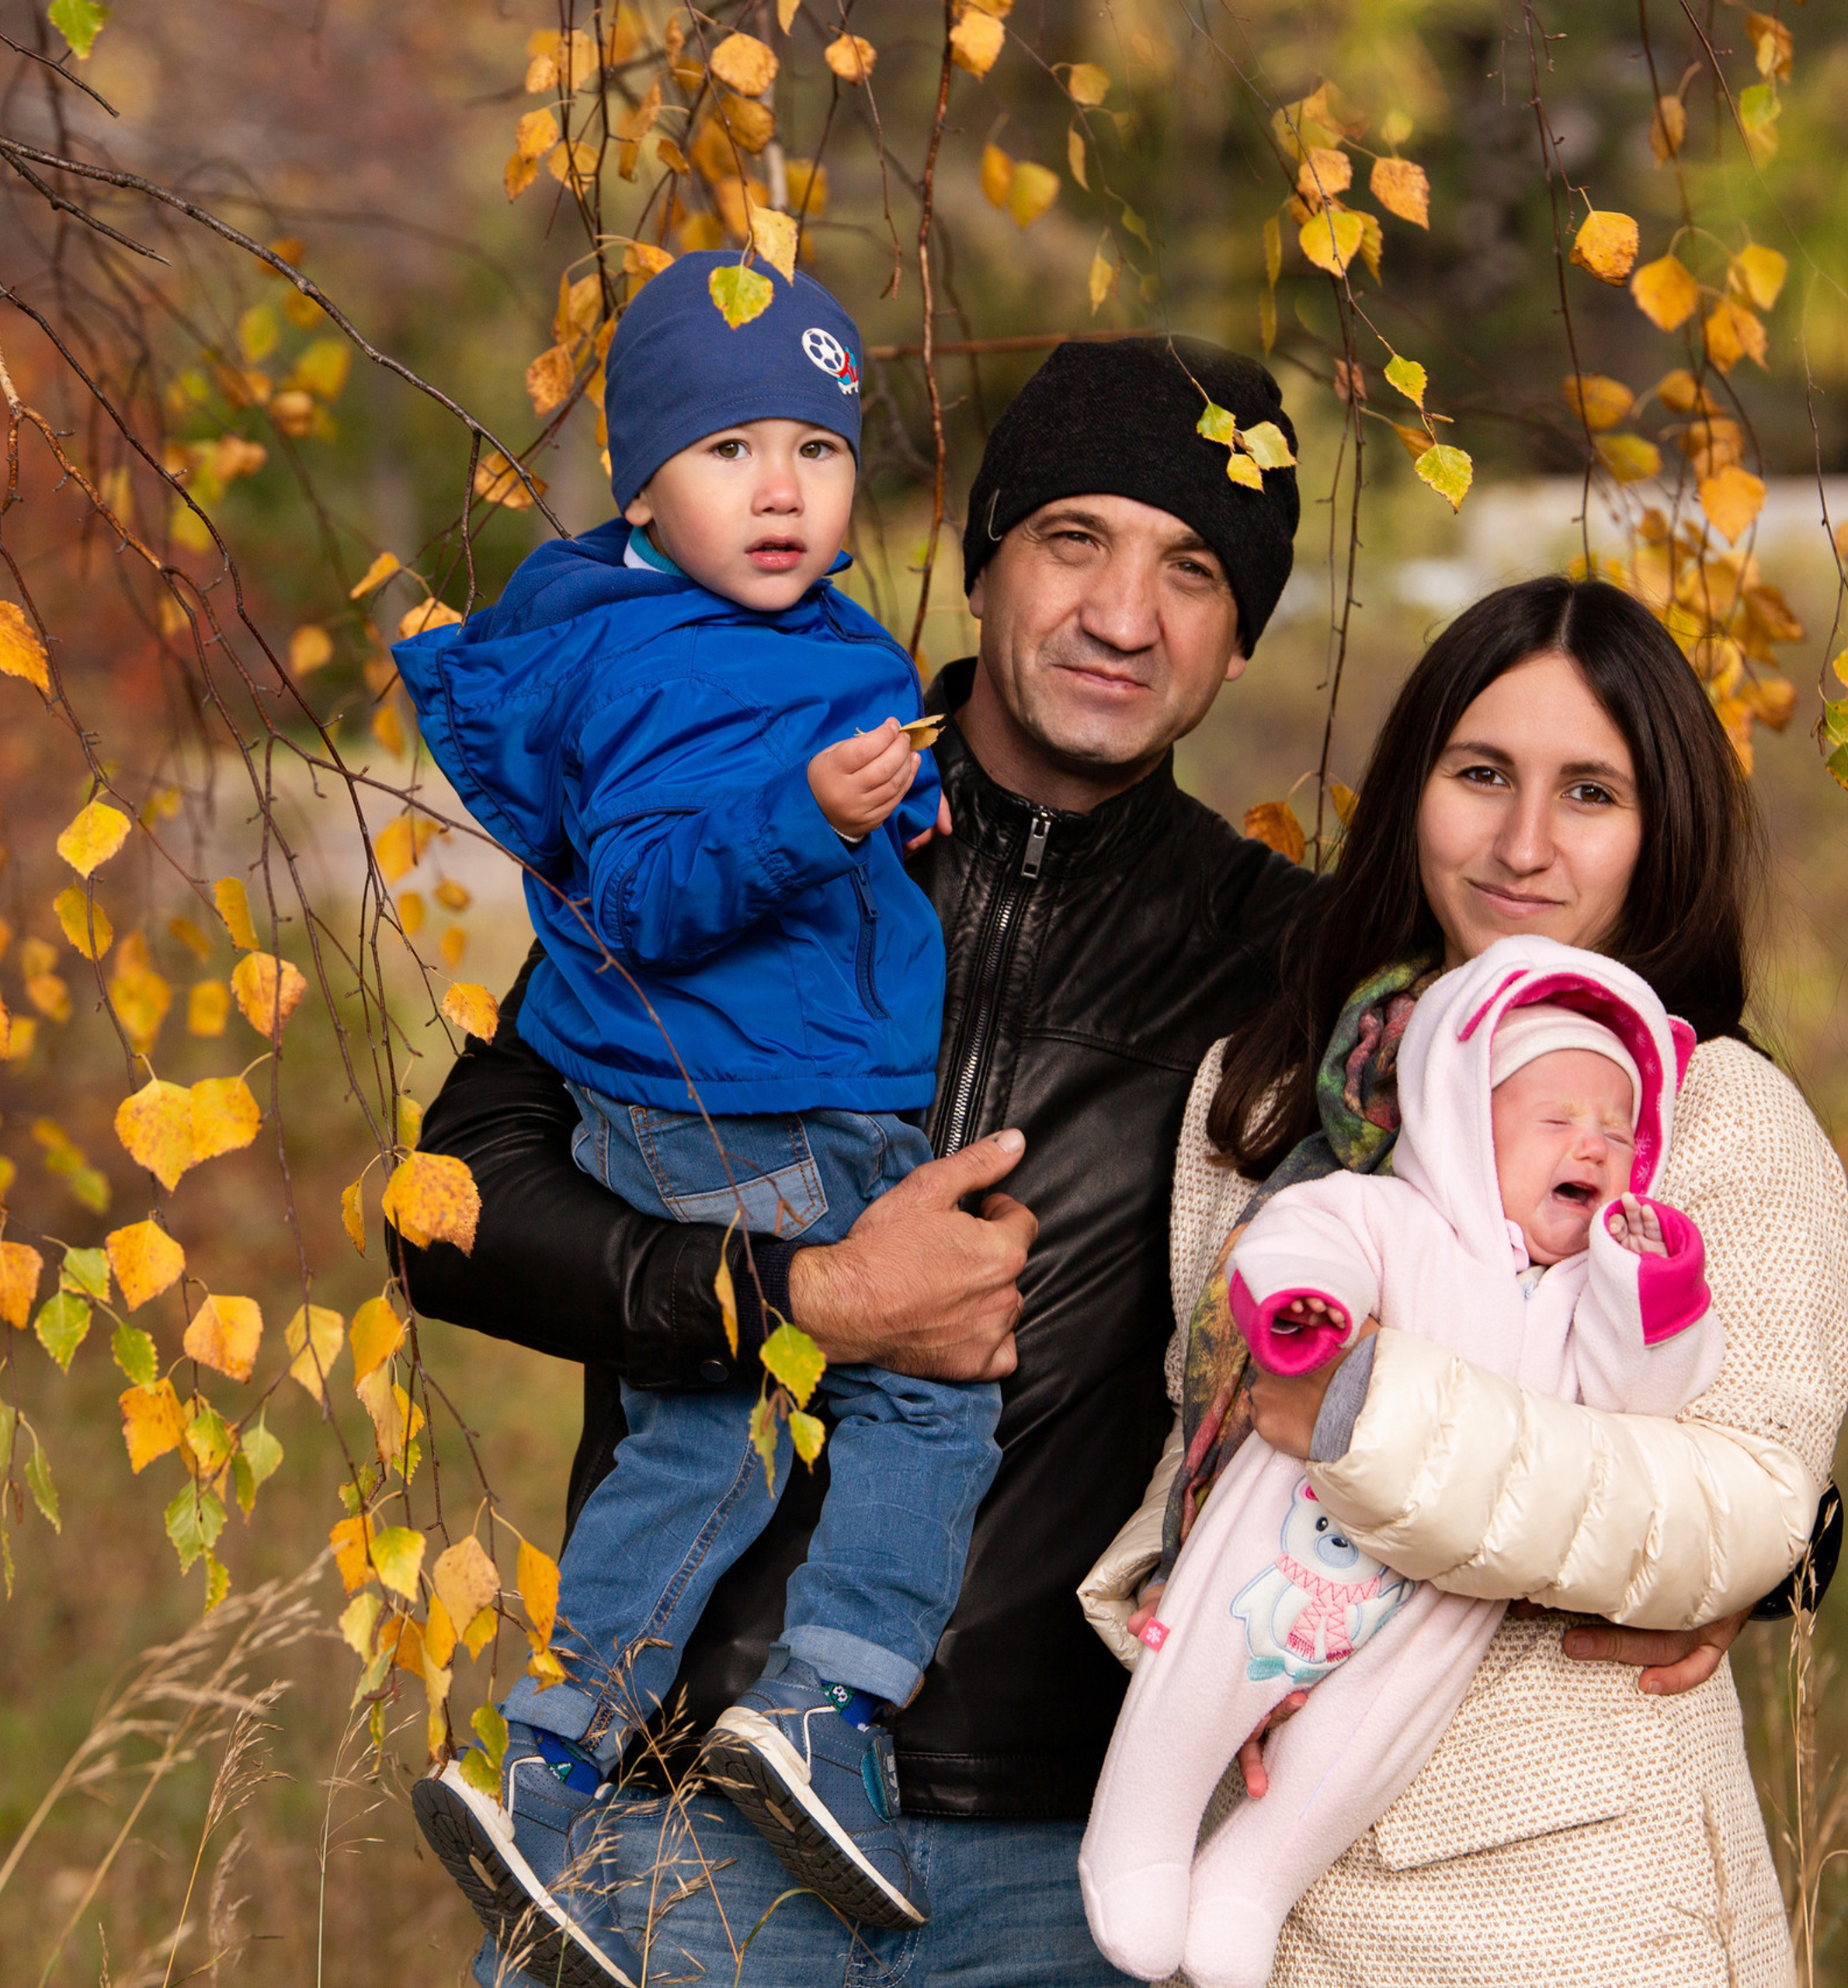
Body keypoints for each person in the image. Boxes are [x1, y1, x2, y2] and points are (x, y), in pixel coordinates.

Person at [395, 331, 1325, 1986]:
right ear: (980, 568)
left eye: (1190, 569)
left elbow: (1585, 1192)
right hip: (680, 1819)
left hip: (1062, 1856)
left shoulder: (1284, 965)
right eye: (1072, 540)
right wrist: (794, 1293)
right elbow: (449, 1211)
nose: (1121, 613)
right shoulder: (751, 810)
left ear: (1240, 640)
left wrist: (1742, 1555)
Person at [1082, 575, 1848, 1985]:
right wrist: (1202, 1643)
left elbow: (1746, 1505)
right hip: (1260, 1892)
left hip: (1574, 1903)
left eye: (1591, 793)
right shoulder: (1261, 1091)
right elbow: (1196, 1446)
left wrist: (1367, 1410)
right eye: (1480, 774)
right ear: (1411, 787)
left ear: (1660, 826)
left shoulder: (1718, 1114)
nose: (1523, 843)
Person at [394, 251, 1001, 1979]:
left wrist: (893, 814)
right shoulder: (665, 664)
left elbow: (833, 787)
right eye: (730, 448)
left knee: (699, 1431)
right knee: (927, 1396)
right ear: (642, 479)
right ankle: (821, 1704)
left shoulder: (786, 636)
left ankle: (559, 1745)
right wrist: (810, 814)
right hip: (739, 1099)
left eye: (813, 447)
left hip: (747, 1079)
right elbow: (652, 885)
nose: (783, 487)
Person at [1079, 936, 1725, 1987]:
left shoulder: (1579, 1298)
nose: (1596, 1144)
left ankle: (1253, 1883)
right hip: (1296, 1525)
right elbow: (1303, 1238)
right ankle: (1135, 1838)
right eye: (1558, 1119)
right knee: (1210, 1667)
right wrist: (1311, 1311)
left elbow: (1643, 1397)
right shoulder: (1394, 1217)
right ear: (1467, 1126)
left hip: (1446, 1594)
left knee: (1363, 1748)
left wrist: (1649, 1287)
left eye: (1619, 1130)